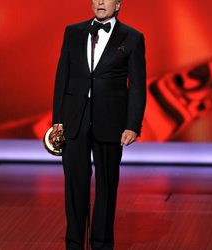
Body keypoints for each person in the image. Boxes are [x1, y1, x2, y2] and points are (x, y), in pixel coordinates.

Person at [51, 0, 146, 249]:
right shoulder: (73, 32)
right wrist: (57, 120)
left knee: (106, 185)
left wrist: (132, 125)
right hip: (75, 120)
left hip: (111, 122)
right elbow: (63, 76)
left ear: (118, 5)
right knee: (74, 184)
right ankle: (74, 243)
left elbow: (136, 86)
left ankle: (102, 244)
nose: (100, 2)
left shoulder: (133, 38)